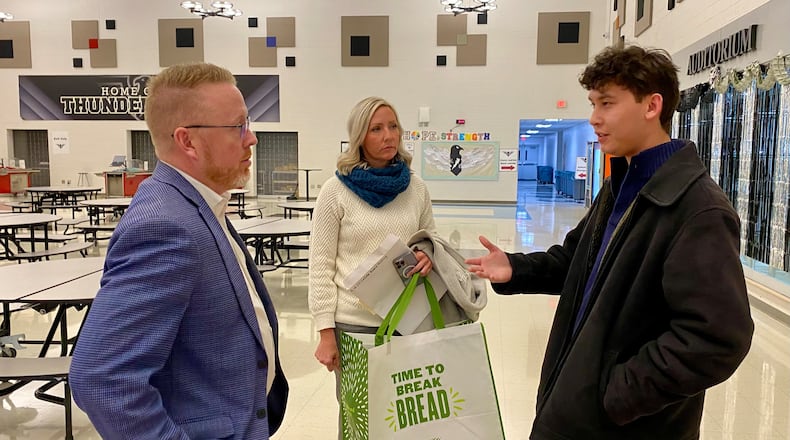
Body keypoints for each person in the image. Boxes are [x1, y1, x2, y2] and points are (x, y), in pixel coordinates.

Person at [466, 45, 754, 439]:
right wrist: (516, 268)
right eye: (592, 103)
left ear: (652, 106)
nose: (594, 119)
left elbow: (717, 337)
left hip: (623, 423)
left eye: (607, 104)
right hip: (575, 405)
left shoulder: (697, 209)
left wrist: (618, 394)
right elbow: (575, 262)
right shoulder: (620, 186)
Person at [69, 62, 288, 439]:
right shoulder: (165, 226)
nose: (251, 139)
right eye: (238, 126)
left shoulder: (198, 204)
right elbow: (103, 378)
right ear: (187, 140)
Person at [309, 96, 434, 380]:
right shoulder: (335, 191)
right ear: (359, 137)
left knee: (404, 419)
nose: (388, 135)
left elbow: (430, 237)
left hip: (409, 320)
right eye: (376, 129)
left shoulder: (416, 188)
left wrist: (428, 253)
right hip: (355, 326)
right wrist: (325, 332)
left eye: (393, 126)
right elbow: (320, 266)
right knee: (359, 419)